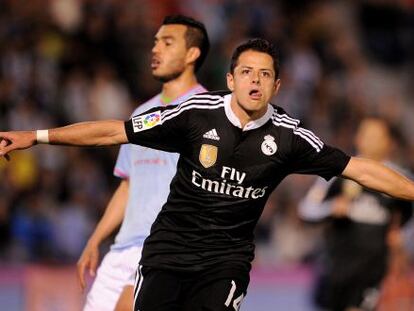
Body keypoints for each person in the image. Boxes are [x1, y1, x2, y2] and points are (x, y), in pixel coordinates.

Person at [1, 38, 414, 311]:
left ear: (277, 86)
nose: (256, 80)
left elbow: (358, 168)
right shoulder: (194, 115)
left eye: (265, 74)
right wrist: (36, 136)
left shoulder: (290, 137)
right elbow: (114, 130)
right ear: (231, 79)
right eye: (247, 72)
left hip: (225, 262)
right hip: (168, 252)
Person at [77, 15, 209, 311]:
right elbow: (128, 185)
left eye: (167, 42)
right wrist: (96, 239)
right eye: (155, 42)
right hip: (122, 248)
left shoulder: (206, 113)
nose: (155, 49)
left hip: (164, 249)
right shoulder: (143, 114)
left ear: (192, 54)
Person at [298, 117, 413, 311]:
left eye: (377, 136)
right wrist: (331, 208)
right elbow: (306, 210)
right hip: (334, 270)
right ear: (358, 139)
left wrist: (401, 239)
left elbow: (407, 221)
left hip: (372, 272)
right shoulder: (338, 172)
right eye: (366, 135)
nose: (370, 141)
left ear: (389, 142)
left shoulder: (399, 181)